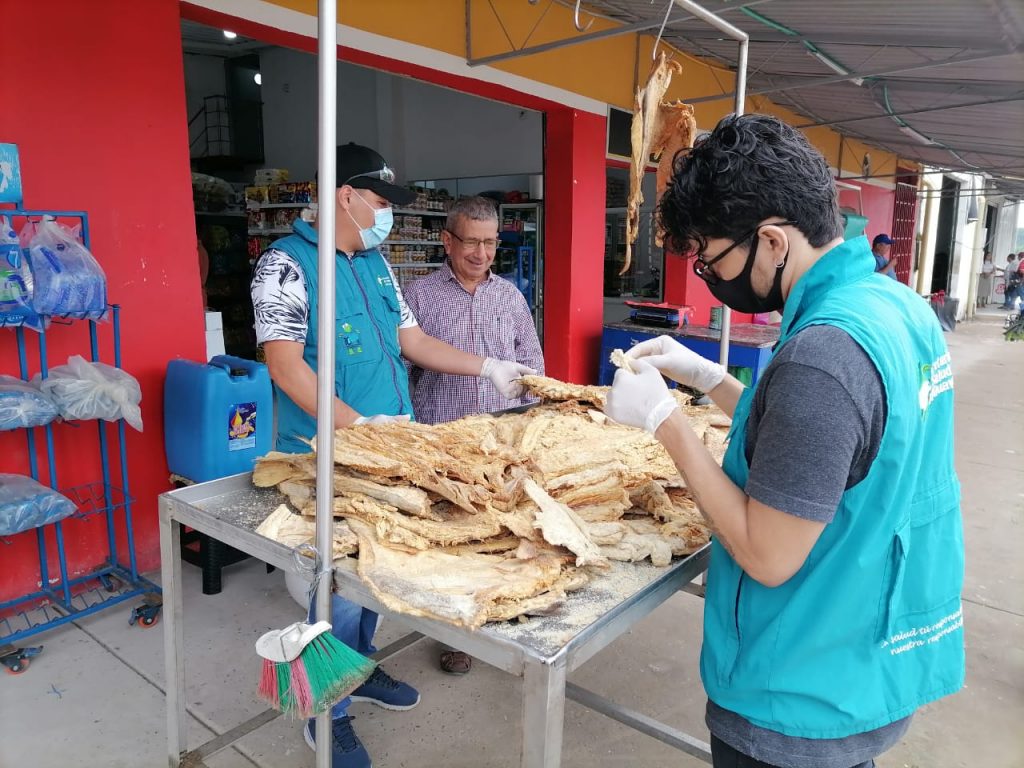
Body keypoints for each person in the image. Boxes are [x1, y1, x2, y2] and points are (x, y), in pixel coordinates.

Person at [604, 114, 964, 768]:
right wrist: (710, 380)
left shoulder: (822, 357)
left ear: (772, 240)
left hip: (797, 690)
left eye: (712, 259)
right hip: (862, 655)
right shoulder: (896, 306)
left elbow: (769, 555)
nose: (710, 276)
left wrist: (666, 423)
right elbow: (832, 454)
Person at [250, 143, 534, 768]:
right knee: (336, 587)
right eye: (380, 204)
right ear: (343, 196)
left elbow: (415, 340)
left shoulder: (376, 265)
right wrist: (359, 427)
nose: (387, 217)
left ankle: (362, 670)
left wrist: (489, 366)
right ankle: (329, 714)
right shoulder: (285, 267)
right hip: (325, 454)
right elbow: (286, 367)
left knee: (378, 573)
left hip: (389, 451)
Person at [403, 196, 545, 674]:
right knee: (452, 538)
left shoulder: (510, 296)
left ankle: (505, 611)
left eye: (489, 242)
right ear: (448, 241)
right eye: (471, 242)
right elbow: (403, 366)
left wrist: (534, 422)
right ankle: (455, 631)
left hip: (502, 441)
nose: (481, 253)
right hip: (444, 439)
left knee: (506, 533)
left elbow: (533, 361)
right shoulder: (418, 296)